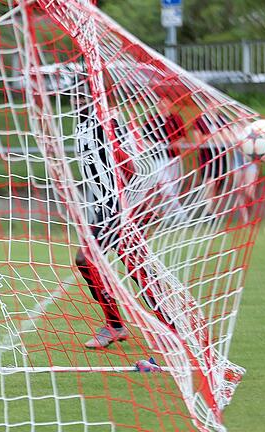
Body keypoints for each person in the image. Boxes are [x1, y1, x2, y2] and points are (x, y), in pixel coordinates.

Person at [71, 84, 171, 349]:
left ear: (96, 96)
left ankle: (166, 326)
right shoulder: (82, 124)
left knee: (127, 266)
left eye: (82, 95)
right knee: (96, 262)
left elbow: (130, 163)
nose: (76, 100)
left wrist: (132, 203)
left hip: (120, 206)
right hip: (104, 208)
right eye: (73, 95)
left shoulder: (107, 122)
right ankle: (118, 325)